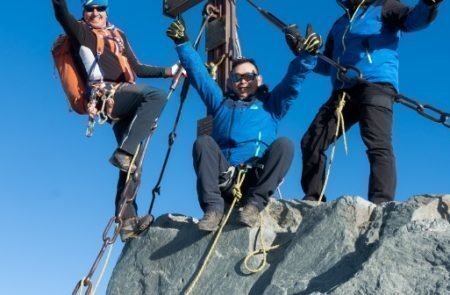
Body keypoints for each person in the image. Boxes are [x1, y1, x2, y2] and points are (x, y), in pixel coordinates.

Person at [166, 19, 322, 231]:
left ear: (258, 79)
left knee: (285, 145)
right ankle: (213, 209)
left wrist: (308, 56)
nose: (243, 81)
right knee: (203, 142)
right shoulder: (220, 104)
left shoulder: (272, 106)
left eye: (249, 76)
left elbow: (292, 82)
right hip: (225, 176)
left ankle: (253, 206)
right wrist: (182, 43)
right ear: (230, 82)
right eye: (237, 77)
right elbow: (200, 77)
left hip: (255, 177)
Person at [52, 0, 176, 241]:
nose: (95, 12)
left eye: (100, 8)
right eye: (90, 9)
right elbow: (61, 13)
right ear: (84, 12)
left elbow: (136, 67)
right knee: (155, 95)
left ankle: (127, 221)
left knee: (132, 166)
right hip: (108, 95)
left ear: (107, 10)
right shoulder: (80, 32)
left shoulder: (118, 35)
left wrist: (168, 72)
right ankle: (125, 151)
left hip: (126, 100)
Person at [297, 0, 443, 204]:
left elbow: (411, 21)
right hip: (342, 91)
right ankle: (313, 198)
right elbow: (326, 65)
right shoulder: (340, 24)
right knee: (311, 141)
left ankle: (381, 204)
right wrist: (304, 52)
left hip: (375, 84)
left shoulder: (385, 6)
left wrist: (428, 5)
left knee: (377, 144)